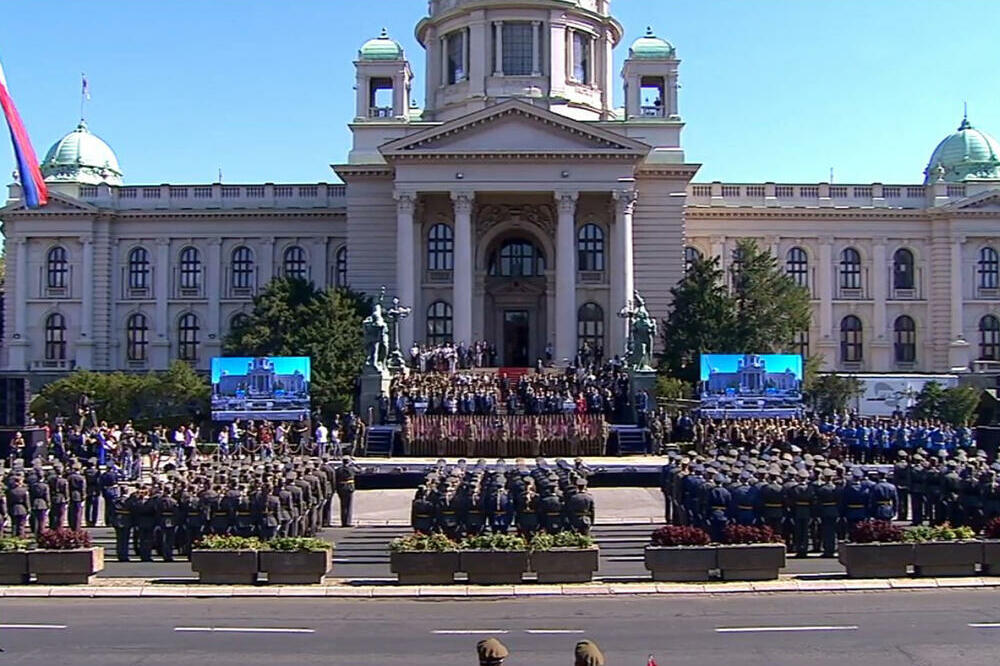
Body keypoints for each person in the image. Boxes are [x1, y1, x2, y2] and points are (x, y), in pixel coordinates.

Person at [335, 456, 358, 527]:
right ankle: (347, 522)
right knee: (348, 506)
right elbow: (359, 470)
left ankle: (343, 521)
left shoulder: (339, 469)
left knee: (343, 505)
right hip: (349, 487)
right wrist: (354, 463)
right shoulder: (351, 469)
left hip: (341, 487)